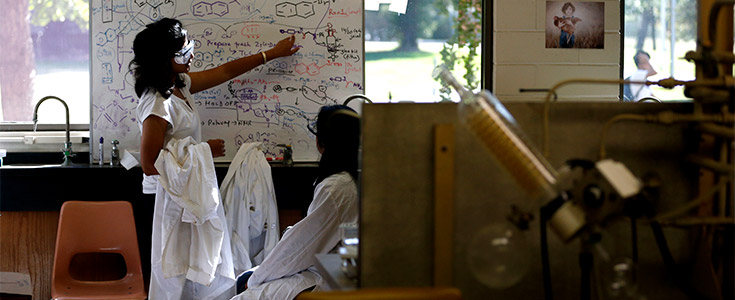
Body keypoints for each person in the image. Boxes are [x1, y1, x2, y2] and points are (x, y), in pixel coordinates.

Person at [131, 17, 299, 299]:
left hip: (194, 195)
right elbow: (150, 164)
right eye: (183, 52)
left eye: (190, 47)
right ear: (163, 59)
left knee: (203, 271)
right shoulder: (158, 104)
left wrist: (271, 54)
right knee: (178, 276)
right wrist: (203, 149)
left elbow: (224, 72)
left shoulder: (180, 84)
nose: (191, 56)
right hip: (175, 204)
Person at [231, 105, 361, 300]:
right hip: (334, 266)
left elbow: (302, 247)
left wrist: (258, 278)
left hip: (334, 274)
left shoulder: (335, 188)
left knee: (245, 291)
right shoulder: (345, 181)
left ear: (321, 142)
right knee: (248, 279)